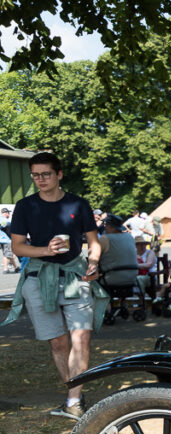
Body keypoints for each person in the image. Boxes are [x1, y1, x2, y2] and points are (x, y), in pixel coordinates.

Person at [3, 151, 107, 419]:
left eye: (45, 174)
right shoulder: (25, 206)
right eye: (35, 175)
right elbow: (17, 247)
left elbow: (93, 242)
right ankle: (74, 393)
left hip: (75, 277)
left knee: (81, 338)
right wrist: (46, 251)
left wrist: (94, 261)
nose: (40, 180)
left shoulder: (78, 204)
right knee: (59, 343)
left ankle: (73, 402)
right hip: (39, 280)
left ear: (59, 174)